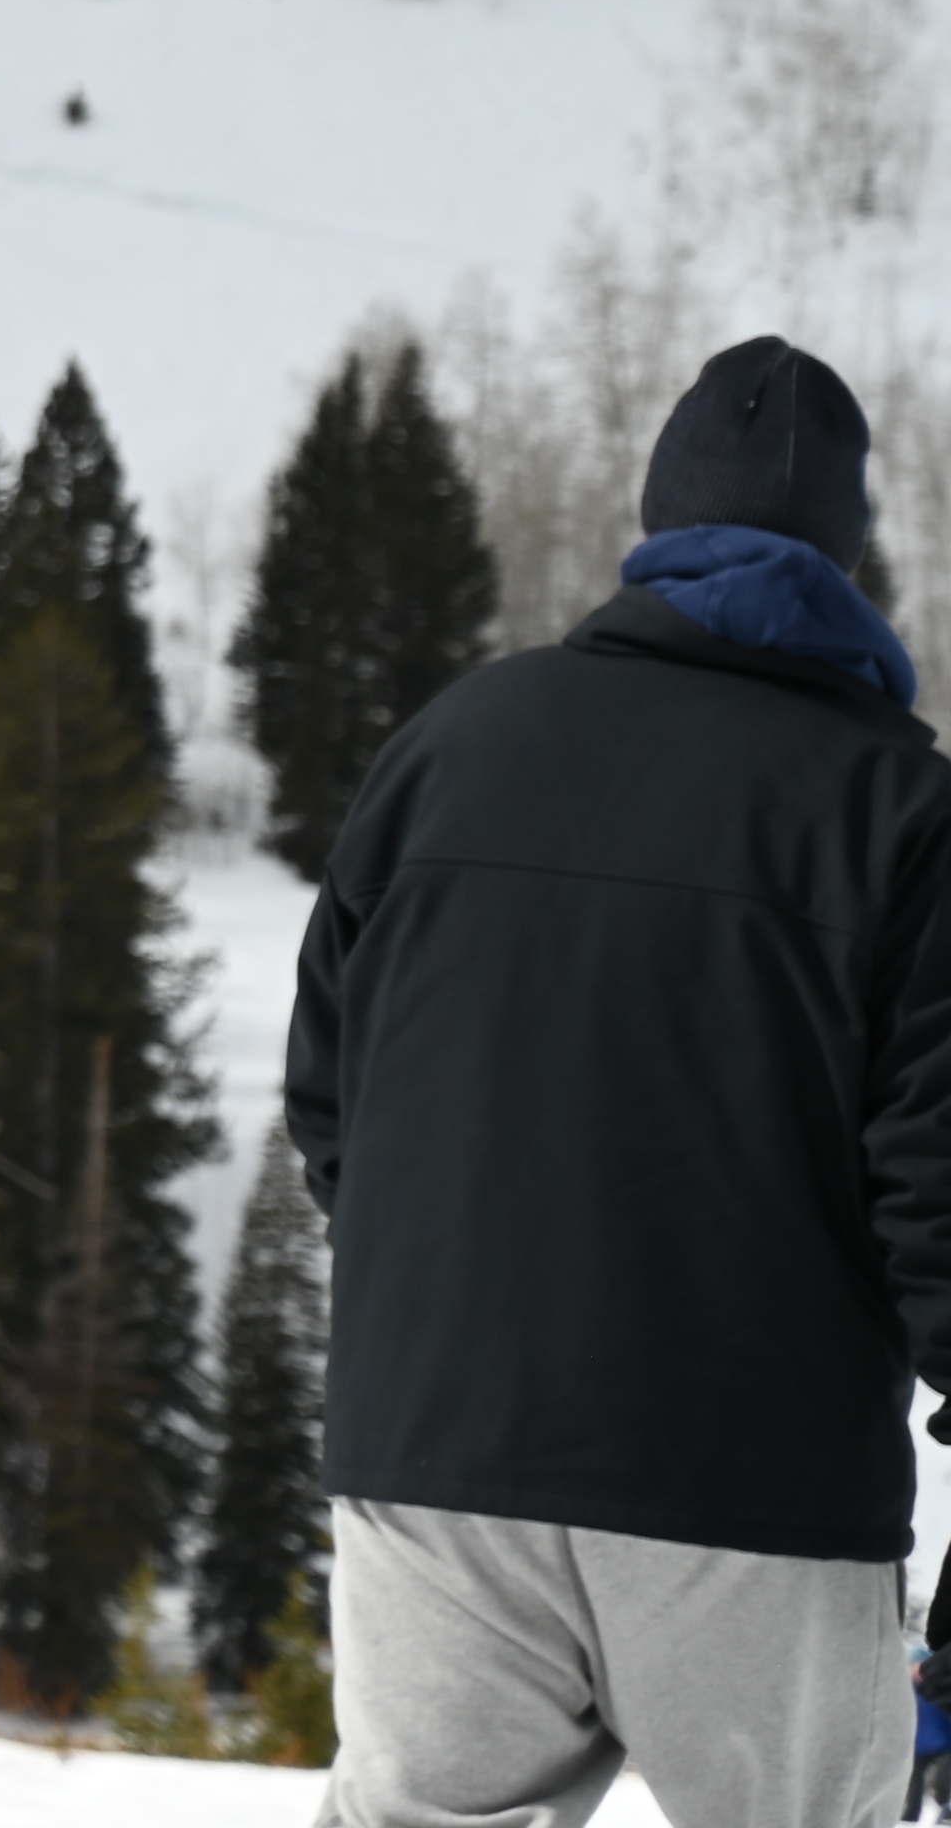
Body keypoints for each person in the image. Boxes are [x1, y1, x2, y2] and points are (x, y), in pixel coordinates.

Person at [290, 336, 951, 1828]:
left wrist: (463, 1308)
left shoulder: (452, 745)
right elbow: (942, 1188)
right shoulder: (902, 815)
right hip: (747, 1484)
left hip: (437, 1454)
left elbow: (334, 1107)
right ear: (850, 552)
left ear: (657, 526)